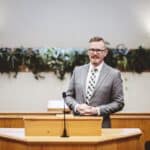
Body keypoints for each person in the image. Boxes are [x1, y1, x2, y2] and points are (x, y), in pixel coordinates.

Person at [65, 36, 124, 128]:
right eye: (92, 50)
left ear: (105, 52)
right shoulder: (77, 71)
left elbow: (119, 102)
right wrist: (77, 107)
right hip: (77, 126)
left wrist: (97, 110)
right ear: (88, 52)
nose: (95, 53)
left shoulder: (114, 74)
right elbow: (68, 96)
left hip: (102, 127)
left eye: (98, 50)